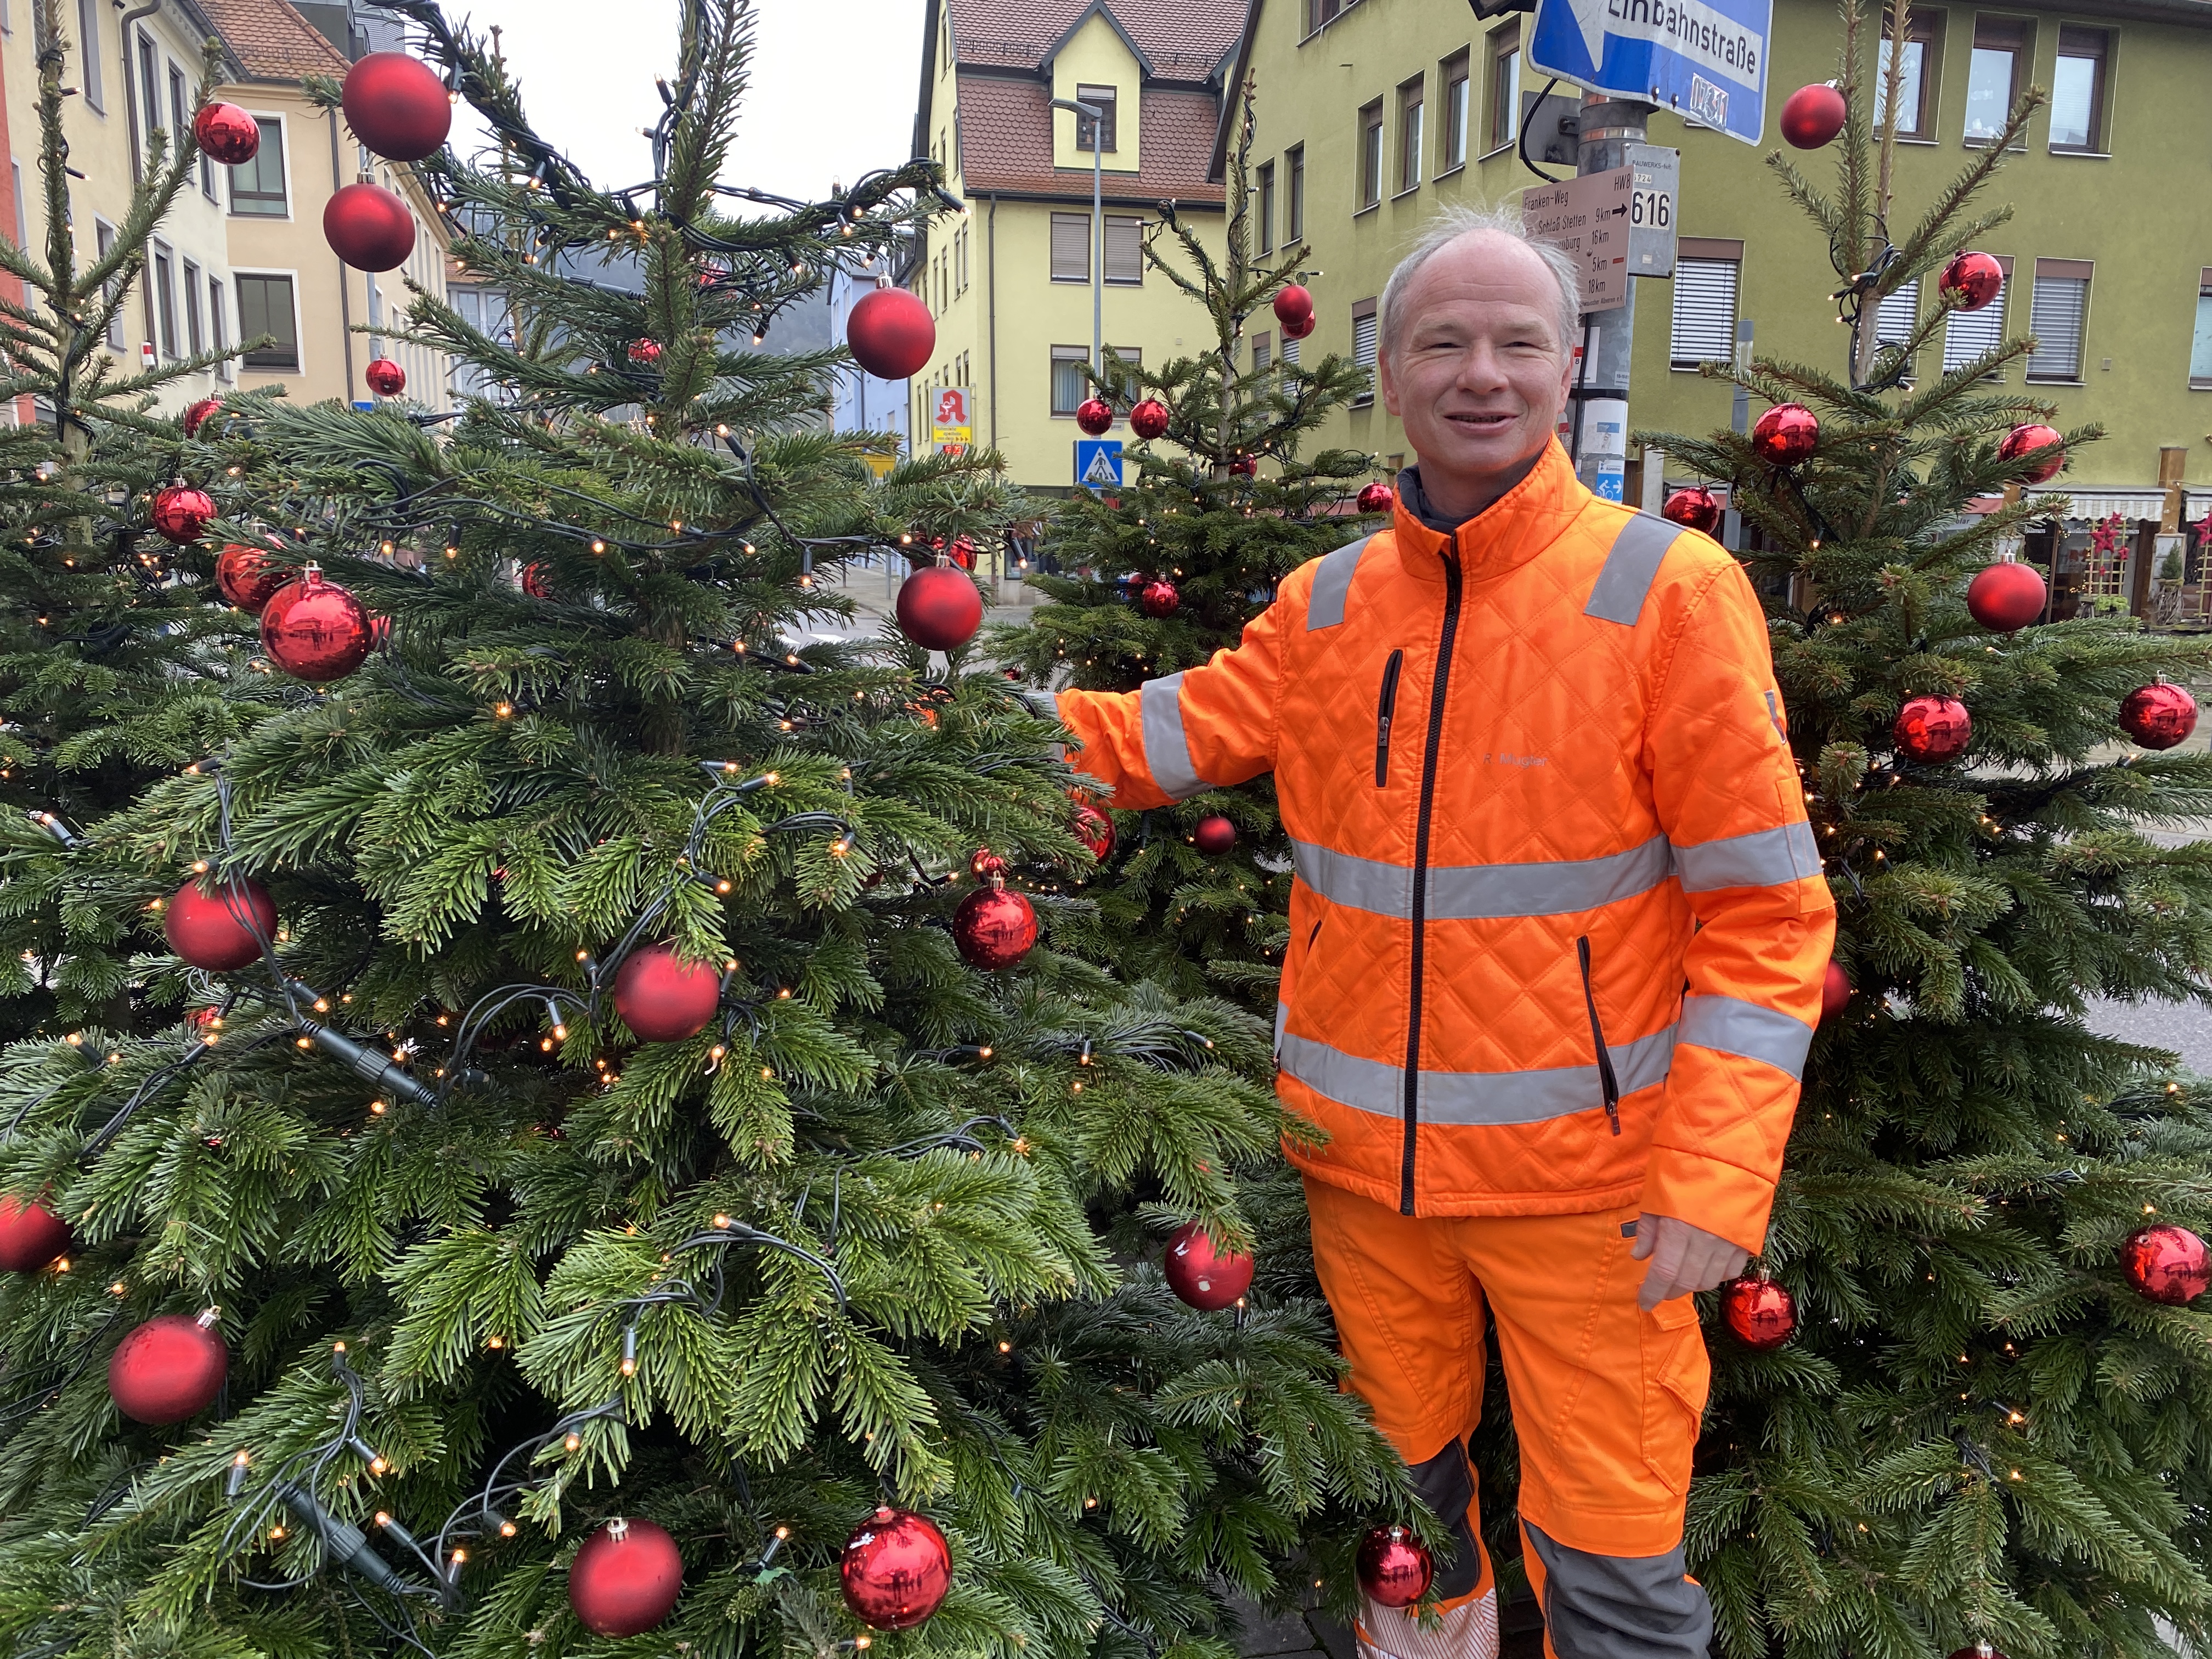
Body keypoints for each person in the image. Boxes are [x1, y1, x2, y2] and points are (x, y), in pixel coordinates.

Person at [1048, 205, 1836, 1659]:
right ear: (1392, 379)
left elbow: (1767, 911)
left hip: (1592, 1202)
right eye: (1444, 344)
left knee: (1613, 1576)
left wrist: (1717, 1179)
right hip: (1364, 1189)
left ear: (1569, 365)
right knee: (1406, 1535)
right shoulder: (1331, 603)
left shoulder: (1668, 590)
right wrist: (946, 732)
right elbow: (1166, 732)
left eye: (1517, 342)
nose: (1483, 372)